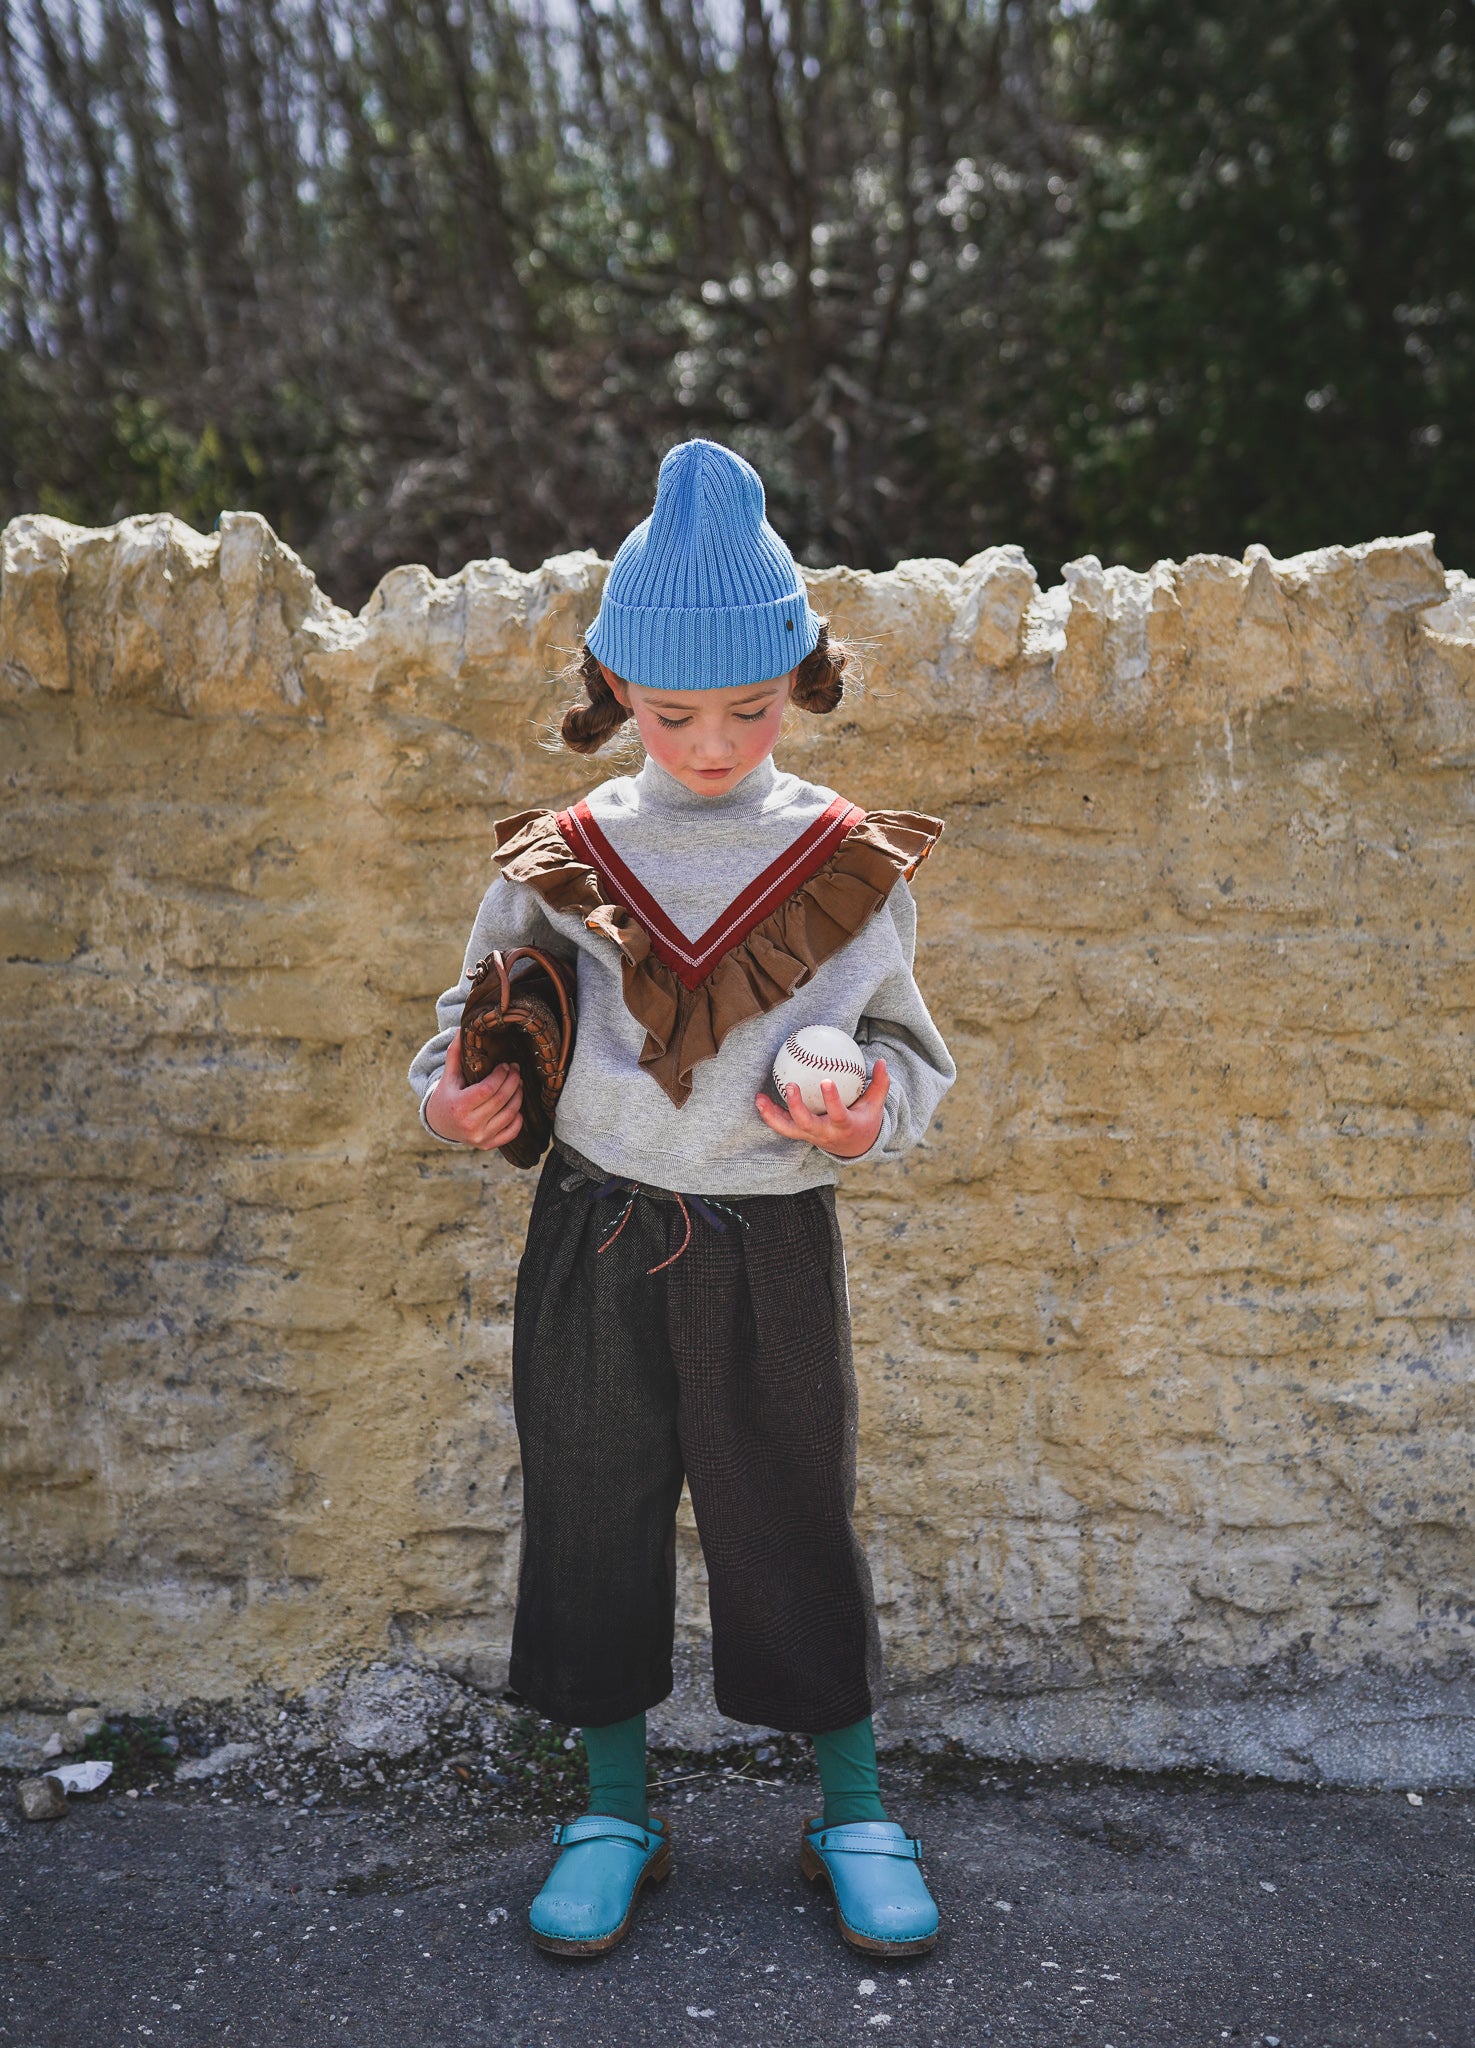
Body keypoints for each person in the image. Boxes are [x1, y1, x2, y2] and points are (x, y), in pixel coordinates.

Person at [408, 438, 956, 1960]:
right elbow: (459, 1026)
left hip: (773, 1239)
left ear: (803, 678)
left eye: (752, 707)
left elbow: (913, 1057)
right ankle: (612, 1811)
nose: (713, 744)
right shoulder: (564, 857)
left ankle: (854, 1809)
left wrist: (865, 1110)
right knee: (591, 1505)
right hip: (594, 1229)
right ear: (613, 689)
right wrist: (452, 1098)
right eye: (671, 712)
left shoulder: (844, 862)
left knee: (792, 1510)